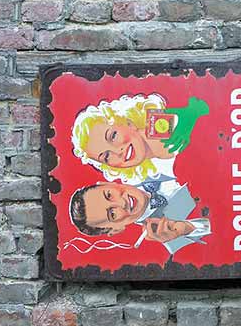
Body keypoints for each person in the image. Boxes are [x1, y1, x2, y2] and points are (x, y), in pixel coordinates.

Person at [71, 93, 209, 184]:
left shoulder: (164, 124)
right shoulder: (152, 178)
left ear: (127, 122)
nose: (118, 151)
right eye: (106, 156)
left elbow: (200, 108)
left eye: (113, 136)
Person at [69, 179, 210, 256]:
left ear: (108, 183)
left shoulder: (146, 157)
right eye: (112, 214)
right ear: (115, 230)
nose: (122, 203)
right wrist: (186, 228)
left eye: (109, 195)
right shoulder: (170, 237)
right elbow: (222, 235)